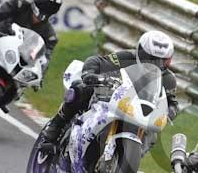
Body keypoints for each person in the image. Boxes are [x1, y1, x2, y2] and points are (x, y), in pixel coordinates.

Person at [40, 30, 179, 143]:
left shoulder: (168, 79)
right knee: (80, 88)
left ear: (168, 60)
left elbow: (172, 103)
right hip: (111, 96)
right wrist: (90, 74)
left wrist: (170, 112)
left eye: (160, 61)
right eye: (149, 58)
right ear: (140, 52)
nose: (154, 63)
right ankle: (57, 124)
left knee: (152, 134)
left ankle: (130, 158)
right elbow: (97, 60)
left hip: (137, 113)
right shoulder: (127, 57)